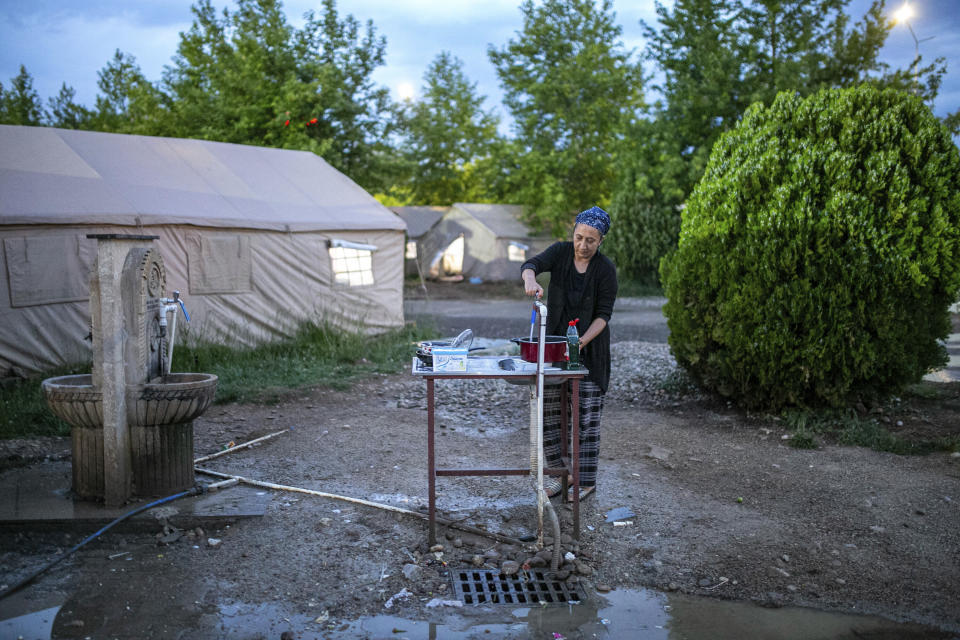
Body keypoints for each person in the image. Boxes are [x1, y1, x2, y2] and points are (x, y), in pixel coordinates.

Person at [520, 206, 617, 501]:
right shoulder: (560, 253)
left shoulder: (605, 269)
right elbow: (531, 264)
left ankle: (585, 481)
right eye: (579, 237)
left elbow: (603, 316)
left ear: (600, 241)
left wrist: (581, 343)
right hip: (554, 351)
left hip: (590, 352)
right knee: (549, 413)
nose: (583, 245)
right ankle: (560, 475)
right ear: (573, 233)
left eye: (591, 240)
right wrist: (530, 279)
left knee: (585, 418)